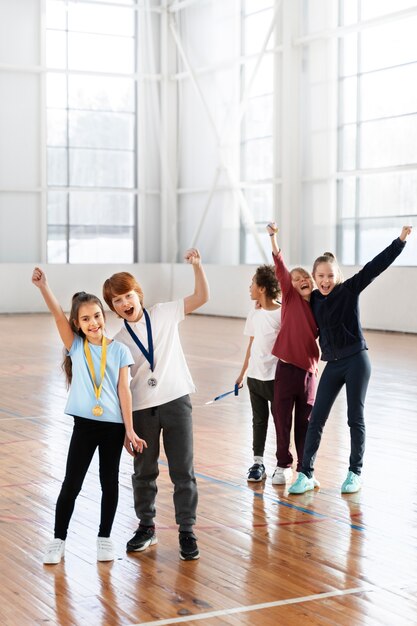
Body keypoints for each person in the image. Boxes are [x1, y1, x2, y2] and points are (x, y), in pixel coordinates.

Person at [32, 267, 146, 565]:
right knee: (72, 483)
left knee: (109, 483)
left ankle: (105, 538)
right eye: (85, 319)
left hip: (113, 428)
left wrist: (130, 431)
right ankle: (58, 539)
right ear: (77, 324)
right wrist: (44, 286)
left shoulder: (119, 350)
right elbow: (58, 315)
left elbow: (125, 392)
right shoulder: (76, 347)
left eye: (96, 315)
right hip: (84, 426)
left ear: (103, 316)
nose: (93, 322)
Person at [102, 248, 209, 561]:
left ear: (138, 293)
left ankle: (187, 530)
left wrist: (198, 266)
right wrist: (126, 429)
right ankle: (146, 526)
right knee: (144, 472)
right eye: (116, 301)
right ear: (113, 307)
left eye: (127, 295)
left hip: (176, 402)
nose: (124, 303)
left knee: (182, 472)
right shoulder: (118, 340)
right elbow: (119, 387)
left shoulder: (163, 313)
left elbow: (201, 296)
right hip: (141, 411)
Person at [289, 226, 413, 495]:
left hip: (357, 360)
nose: (325, 280)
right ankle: (306, 473)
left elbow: (374, 267)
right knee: (316, 419)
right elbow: (290, 301)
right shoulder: (312, 302)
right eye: (320, 276)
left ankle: (355, 472)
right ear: (314, 277)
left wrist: (400, 242)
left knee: (354, 417)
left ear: (337, 276)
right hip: (332, 364)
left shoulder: (348, 290)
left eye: (329, 276)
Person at [267, 223, 320, 486]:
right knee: (282, 419)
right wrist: (274, 237)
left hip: (309, 373)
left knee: (305, 424)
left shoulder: (320, 305)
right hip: (286, 370)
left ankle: (305, 468)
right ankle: (282, 464)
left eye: (305, 278)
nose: (302, 281)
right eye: (297, 279)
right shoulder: (290, 298)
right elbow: (280, 266)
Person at [235, 265, 282, 482]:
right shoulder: (254, 312)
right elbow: (251, 345)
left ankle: (283, 464)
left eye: (252, 283)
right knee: (258, 420)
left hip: (276, 378)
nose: (249, 287)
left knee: (281, 422)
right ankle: (258, 462)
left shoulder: (282, 312)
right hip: (255, 377)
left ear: (262, 288)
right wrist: (242, 373)